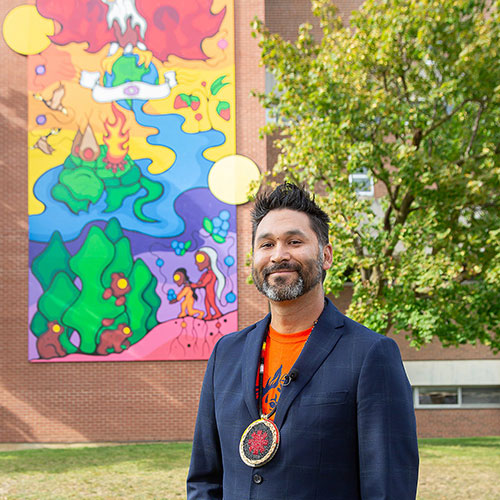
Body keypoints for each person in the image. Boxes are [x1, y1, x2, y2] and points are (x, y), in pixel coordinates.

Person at [187, 182, 419, 499]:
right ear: (253, 258)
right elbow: (204, 479)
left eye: (294, 241)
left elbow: (388, 488)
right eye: (266, 245)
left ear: (325, 256)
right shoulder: (226, 354)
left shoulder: (370, 355)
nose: (278, 255)